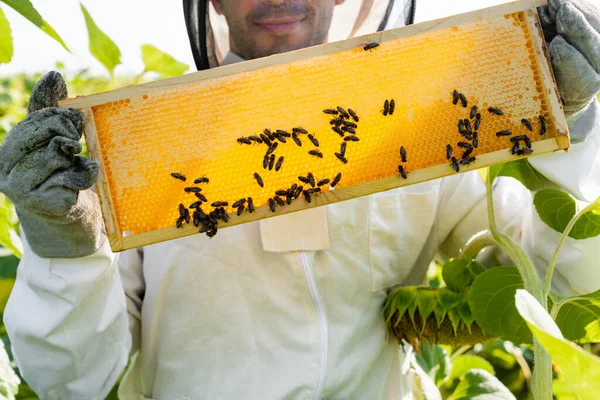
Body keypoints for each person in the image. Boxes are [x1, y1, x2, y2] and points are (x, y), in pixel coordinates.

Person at [1, 0, 599, 398]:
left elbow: (548, 282)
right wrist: (67, 245)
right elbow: (71, 379)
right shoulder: (131, 152)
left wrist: (575, 131)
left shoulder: (424, 124)